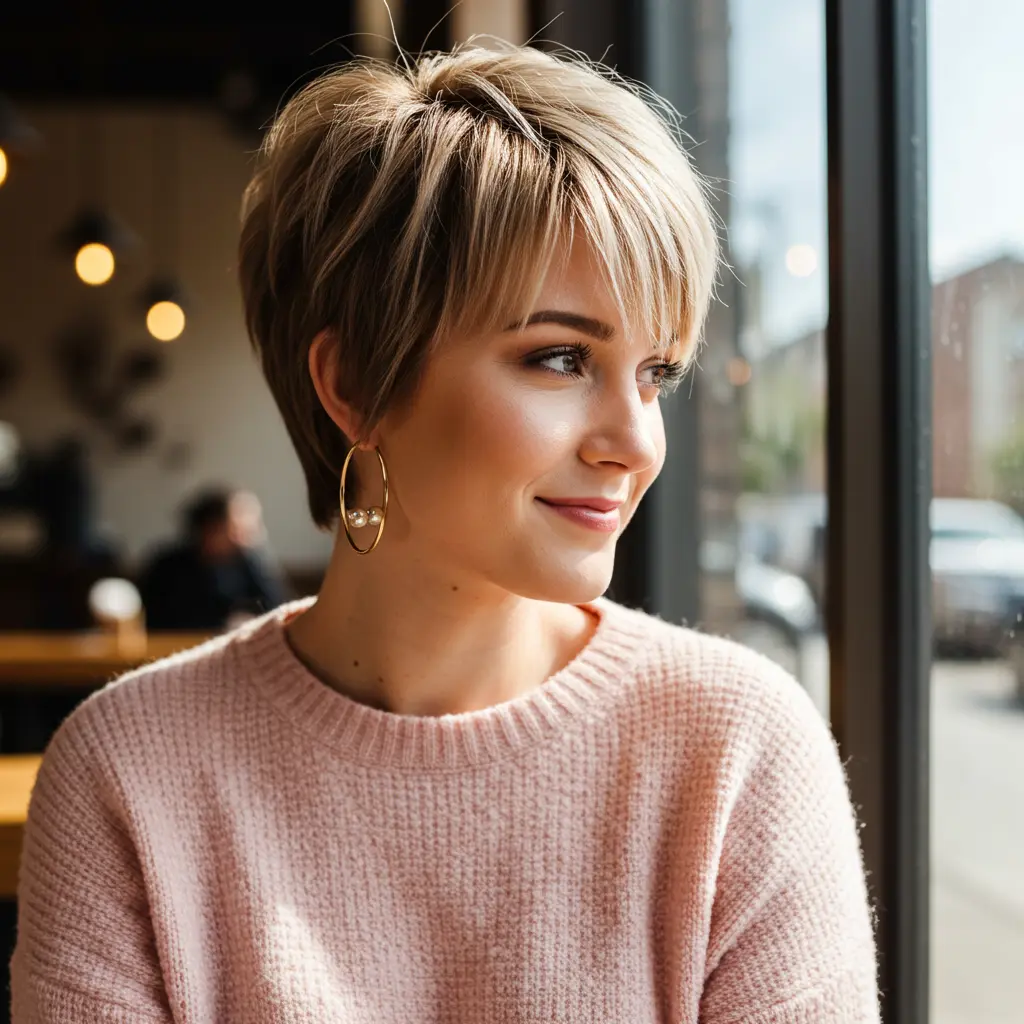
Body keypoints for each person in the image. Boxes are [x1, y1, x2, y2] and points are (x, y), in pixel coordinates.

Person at [11, 43, 880, 1022]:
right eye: (559, 358)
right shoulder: (129, 774)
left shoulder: (738, 752)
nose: (636, 443)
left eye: (655, 373)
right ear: (354, 385)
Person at [137, 487, 289, 632]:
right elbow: (155, 620)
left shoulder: (251, 564)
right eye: (237, 527)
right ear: (211, 528)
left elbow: (277, 612)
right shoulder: (167, 567)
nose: (250, 535)